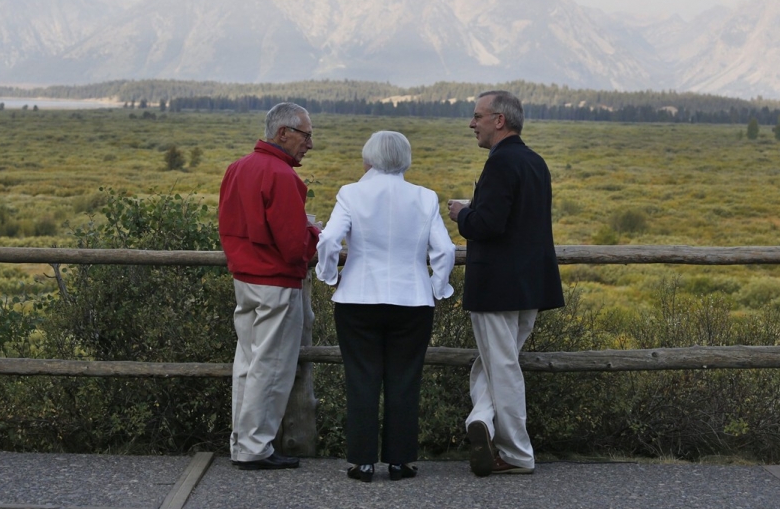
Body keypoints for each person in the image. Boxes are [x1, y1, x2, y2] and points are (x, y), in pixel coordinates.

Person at [315, 131, 456, 483]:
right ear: (405, 160)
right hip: (413, 300)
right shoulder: (425, 197)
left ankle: (362, 462)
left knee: (361, 379)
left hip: (358, 299)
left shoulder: (351, 193)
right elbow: (446, 251)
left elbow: (330, 239)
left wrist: (329, 275)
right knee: (405, 379)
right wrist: (438, 286)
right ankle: (400, 461)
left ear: (369, 160)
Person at [447, 90, 563, 476]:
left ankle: (516, 453)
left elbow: (488, 225)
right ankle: (480, 420)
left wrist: (463, 214)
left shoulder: (500, 164)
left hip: (496, 285)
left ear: (499, 120)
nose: (471, 123)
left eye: (477, 116)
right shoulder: (535, 162)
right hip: (530, 284)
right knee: (494, 363)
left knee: (502, 368)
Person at [218, 102, 320, 470]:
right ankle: (256, 447)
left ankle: (241, 442)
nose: (310, 143)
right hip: (276, 282)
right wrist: (316, 235)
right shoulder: (282, 177)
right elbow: (294, 247)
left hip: (244, 279)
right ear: (284, 133)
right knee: (272, 365)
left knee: (247, 361)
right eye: (306, 135)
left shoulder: (237, 168)